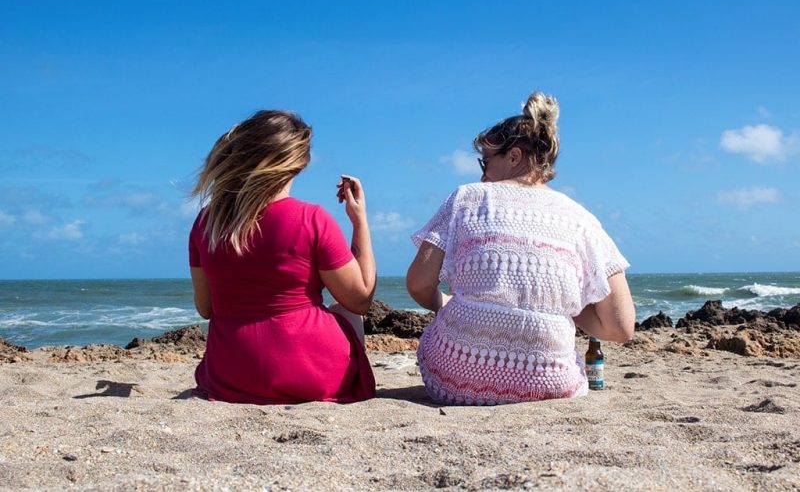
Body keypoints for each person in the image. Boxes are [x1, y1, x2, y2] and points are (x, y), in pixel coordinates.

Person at [406, 91, 635, 405]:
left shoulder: (466, 198)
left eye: (485, 162)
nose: (482, 174)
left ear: (513, 156)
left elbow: (418, 282)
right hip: (550, 385)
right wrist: (560, 305)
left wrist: (447, 303)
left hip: (455, 375)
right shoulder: (581, 219)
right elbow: (621, 327)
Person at [188, 110, 377, 404]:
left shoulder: (205, 223)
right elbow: (361, 297)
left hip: (231, 376)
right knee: (347, 309)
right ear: (298, 165)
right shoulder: (311, 218)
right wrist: (359, 221)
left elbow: (205, 308)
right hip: (311, 375)